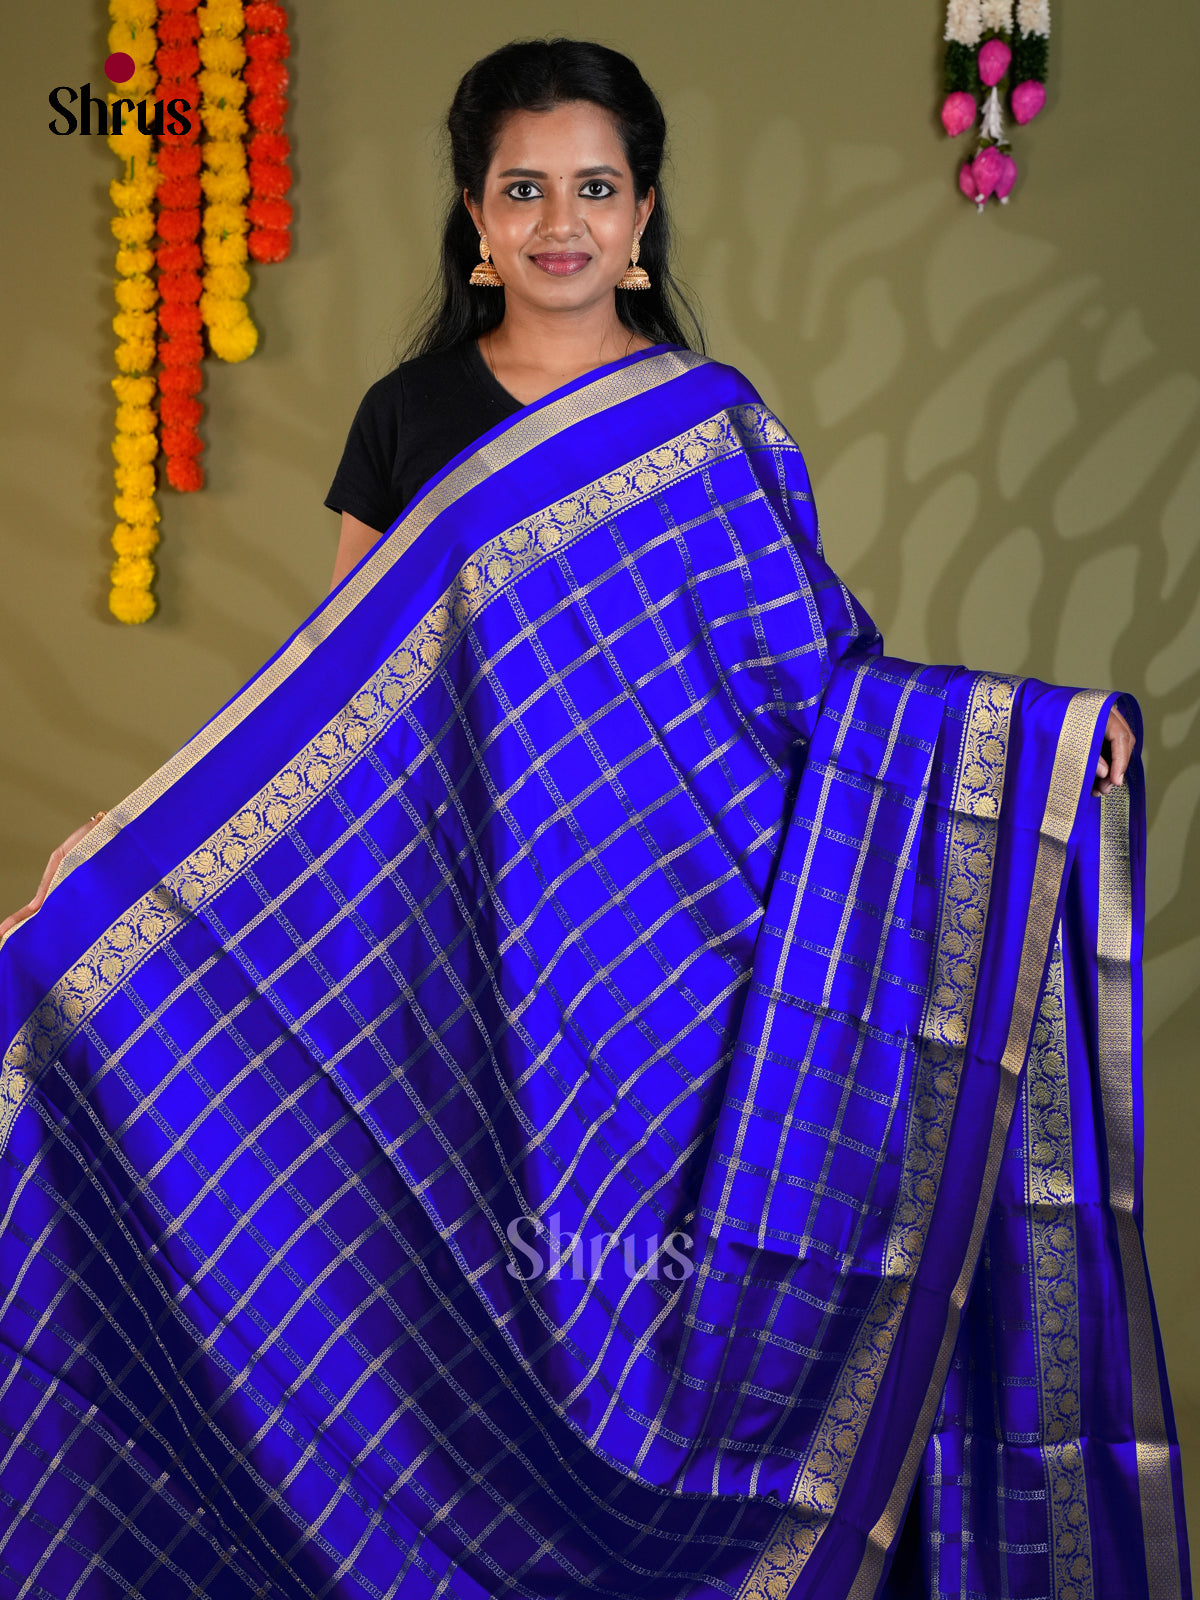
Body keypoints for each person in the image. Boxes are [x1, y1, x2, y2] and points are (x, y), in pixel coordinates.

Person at [0, 38, 1188, 1600]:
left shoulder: (711, 425)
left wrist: (1030, 754)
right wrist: (125, 851)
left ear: (643, 217)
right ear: (476, 219)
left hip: (688, 965)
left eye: (595, 188)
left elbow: (826, 686)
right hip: (471, 970)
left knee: (706, 1328)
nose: (561, 220)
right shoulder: (410, 414)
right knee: (444, 1344)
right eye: (525, 190)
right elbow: (325, 701)